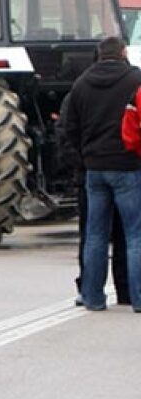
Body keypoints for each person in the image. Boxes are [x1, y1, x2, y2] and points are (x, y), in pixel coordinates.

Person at [66, 36, 141, 312]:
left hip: (94, 170)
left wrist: (84, 157)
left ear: (99, 55)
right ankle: (137, 298)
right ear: (123, 52)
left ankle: (93, 297)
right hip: (128, 166)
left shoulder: (81, 84)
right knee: (135, 234)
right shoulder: (136, 79)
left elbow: (69, 126)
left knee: (95, 234)